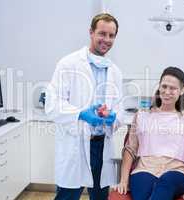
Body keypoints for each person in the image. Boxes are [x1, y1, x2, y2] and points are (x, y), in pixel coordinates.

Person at [45, 13, 124, 200]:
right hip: (76, 143)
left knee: (100, 196)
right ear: (91, 32)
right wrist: (81, 114)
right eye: (102, 34)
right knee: (68, 195)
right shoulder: (68, 64)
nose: (106, 40)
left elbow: (119, 106)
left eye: (111, 35)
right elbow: (52, 103)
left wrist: (114, 116)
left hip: (100, 144)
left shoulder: (115, 71)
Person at [114, 67, 184, 200]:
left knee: (166, 183)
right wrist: (124, 180)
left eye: (173, 88)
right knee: (143, 189)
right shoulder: (142, 116)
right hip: (144, 169)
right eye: (164, 86)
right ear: (159, 87)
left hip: (177, 172)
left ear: (182, 90)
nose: (167, 92)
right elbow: (130, 150)